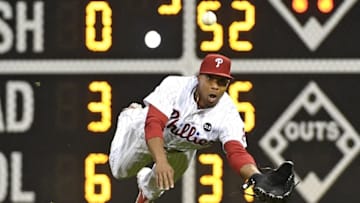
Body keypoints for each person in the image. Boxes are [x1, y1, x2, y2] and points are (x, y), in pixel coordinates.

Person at [109, 53, 261, 203]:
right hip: (145, 133)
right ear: (199, 77)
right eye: (210, 79)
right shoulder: (175, 86)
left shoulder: (227, 114)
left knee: (156, 189)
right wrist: (161, 160)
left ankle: (145, 189)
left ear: (227, 85)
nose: (215, 86)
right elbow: (154, 123)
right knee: (120, 171)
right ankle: (129, 116)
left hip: (181, 150)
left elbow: (237, 152)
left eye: (221, 81)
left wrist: (255, 176)